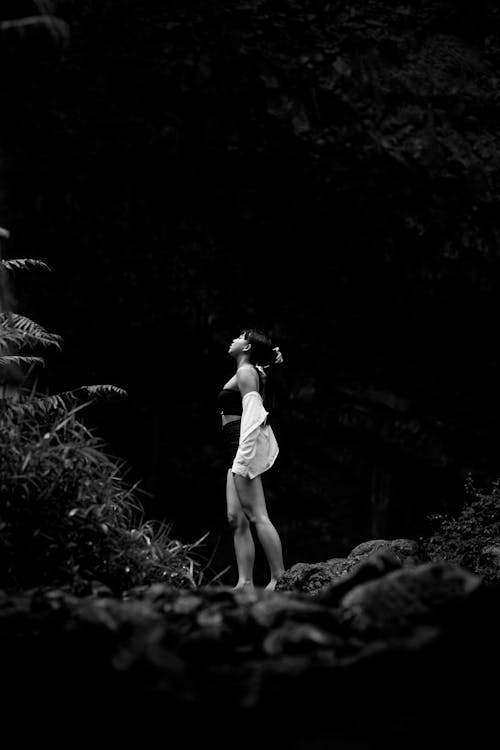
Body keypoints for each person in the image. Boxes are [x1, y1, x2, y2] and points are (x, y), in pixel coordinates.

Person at [217, 328, 284, 591]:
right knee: (236, 517)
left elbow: (254, 416)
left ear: (246, 347)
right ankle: (245, 582)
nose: (233, 339)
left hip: (241, 446)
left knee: (257, 515)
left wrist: (242, 460)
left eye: (239, 337)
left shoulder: (246, 373)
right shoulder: (251, 371)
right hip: (233, 446)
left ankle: (279, 577)